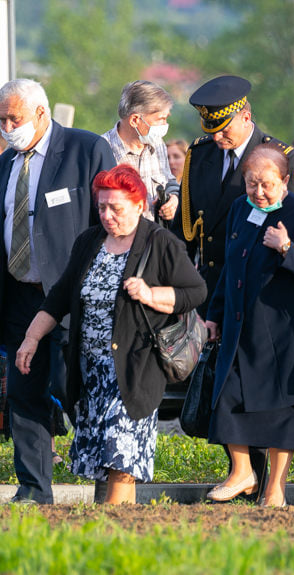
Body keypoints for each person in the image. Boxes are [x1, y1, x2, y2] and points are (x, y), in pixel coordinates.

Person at [15, 165, 206, 504]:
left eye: (116, 208)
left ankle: (114, 534)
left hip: (134, 369)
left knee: (121, 457)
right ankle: (112, 533)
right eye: (102, 207)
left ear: (138, 204)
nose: (107, 215)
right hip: (92, 371)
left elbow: (195, 291)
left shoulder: (160, 242)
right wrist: (31, 338)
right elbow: (59, 297)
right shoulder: (90, 241)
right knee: (103, 460)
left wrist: (150, 295)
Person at [0, 78, 115, 504]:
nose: (8, 126)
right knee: (24, 392)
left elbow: (108, 221)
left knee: (76, 388)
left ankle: (109, 478)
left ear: (41, 113)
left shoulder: (86, 151)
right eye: (2, 119)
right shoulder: (6, 164)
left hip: (71, 296)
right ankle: (33, 487)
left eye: (16, 118)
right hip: (19, 295)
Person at [204, 144, 294, 507]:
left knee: (282, 411)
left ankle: (275, 490)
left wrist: (287, 247)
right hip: (240, 325)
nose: (259, 192)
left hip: (283, 332)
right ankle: (242, 471)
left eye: (267, 185)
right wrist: (214, 312)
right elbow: (229, 267)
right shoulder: (241, 209)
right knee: (226, 395)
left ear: (285, 181)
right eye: (252, 183)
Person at [176, 75, 294, 314]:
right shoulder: (199, 154)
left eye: (224, 129)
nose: (216, 137)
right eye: (211, 129)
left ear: (246, 117)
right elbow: (183, 229)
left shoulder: (282, 158)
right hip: (206, 291)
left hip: (259, 294)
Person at [102, 81, 179, 224]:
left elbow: (169, 181)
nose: (165, 125)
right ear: (135, 120)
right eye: (161, 119)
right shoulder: (102, 150)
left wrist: (173, 198)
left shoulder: (158, 144)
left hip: (155, 239)